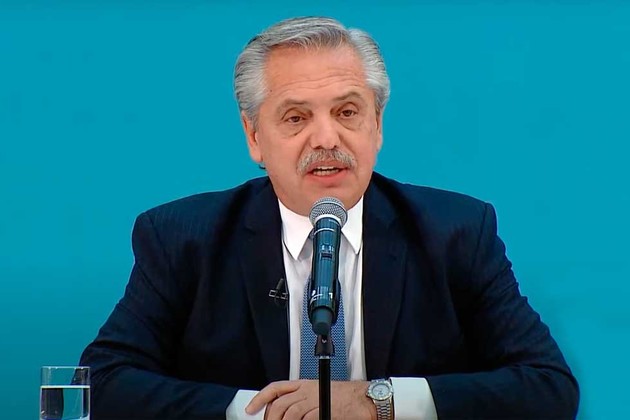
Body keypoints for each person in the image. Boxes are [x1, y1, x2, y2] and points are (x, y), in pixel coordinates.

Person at [80, 16, 579, 419]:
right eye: (296, 118)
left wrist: (377, 401)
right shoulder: (183, 238)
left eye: (347, 112)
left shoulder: (456, 232)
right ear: (254, 137)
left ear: (376, 125)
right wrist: (259, 413)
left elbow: (547, 386)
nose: (325, 139)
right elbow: (101, 383)